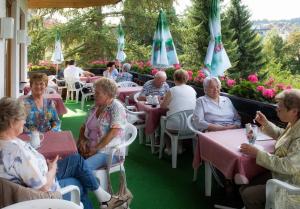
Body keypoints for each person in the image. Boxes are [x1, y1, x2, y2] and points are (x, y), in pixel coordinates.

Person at [0, 97, 127, 209]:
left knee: (76, 159)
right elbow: (43, 187)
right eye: (22, 118)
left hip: (30, 181)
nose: (24, 121)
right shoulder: (17, 153)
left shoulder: (7, 142)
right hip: (40, 195)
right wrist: (52, 168)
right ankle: (105, 199)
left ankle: (104, 198)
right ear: (12, 122)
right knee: (78, 181)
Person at [239, 89, 300, 209]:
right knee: (244, 185)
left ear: (294, 111)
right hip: (281, 175)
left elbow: (289, 166)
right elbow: (283, 135)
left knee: (248, 194)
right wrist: (265, 123)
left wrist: (258, 154)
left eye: (280, 108)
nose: (276, 109)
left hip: (293, 185)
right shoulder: (294, 123)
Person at [77, 77, 127, 169]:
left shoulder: (116, 107)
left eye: (97, 93)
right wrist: (82, 140)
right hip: (90, 146)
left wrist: (95, 150)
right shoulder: (95, 107)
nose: (94, 95)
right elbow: (84, 126)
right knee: (69, 158)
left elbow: (113, 132)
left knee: (82, 168)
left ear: (108, 94)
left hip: (109, 151)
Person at [160, 69, 197, 154]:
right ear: (187, 79)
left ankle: (169, 149)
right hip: (191, 126)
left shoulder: (172, 90)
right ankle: (179, 147)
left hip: (175, 127)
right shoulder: (192, 90)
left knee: (163, 123)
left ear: (174, 78)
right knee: (178, 119)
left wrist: (160, 101)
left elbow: (163, 107)